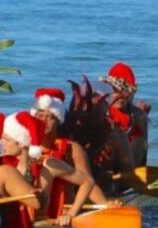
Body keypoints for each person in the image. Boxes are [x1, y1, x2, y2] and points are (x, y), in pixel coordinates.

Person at [30, 88, 113, 217]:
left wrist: (105, 204)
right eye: (39, 115)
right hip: (31, 210)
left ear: (58, 120)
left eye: (49, 117)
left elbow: (88, 183)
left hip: (62, 215)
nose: (43, 121)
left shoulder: (72, 149)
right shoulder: (24, 146)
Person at [3, 111, 93, 227]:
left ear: (20, 143)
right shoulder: (3, 166)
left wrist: (71, 214)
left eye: (6, 139)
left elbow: (88, 182)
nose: (2, 144)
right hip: (13, 226)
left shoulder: (49, 165)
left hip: (41, 226)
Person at [96, 62, 149, 179]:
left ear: (131, 94)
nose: (120, 96)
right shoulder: (100, 110)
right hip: (104, 168)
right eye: (116, 90)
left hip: (127, 171)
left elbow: (144, 153)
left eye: (125, 92)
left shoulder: (138, 116)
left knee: (140, 142)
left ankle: (127, 183)